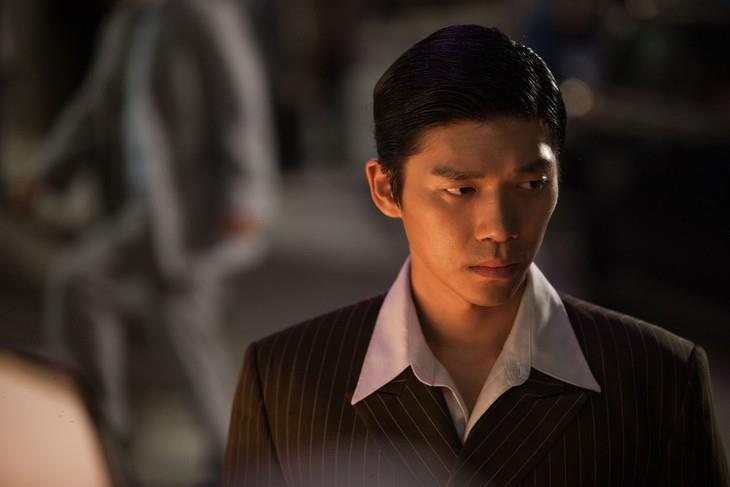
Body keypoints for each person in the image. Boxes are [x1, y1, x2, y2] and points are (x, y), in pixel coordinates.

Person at [223, 25, 728, 487]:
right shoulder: (283, 380)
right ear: (386, 189)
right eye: (461, 190)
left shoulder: (661, 377)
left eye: (531, 184)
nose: (500, 227)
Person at [9, 0, 278, 476]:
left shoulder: (201, 14)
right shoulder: (130, 23)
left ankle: (106, 426)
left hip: (188, 207)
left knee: (87, 284)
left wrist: (246, 194)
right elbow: (94, 109)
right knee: (178, 319)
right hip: (146, 208)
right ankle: (227, 448)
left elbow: (239, 98)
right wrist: (49, 174)